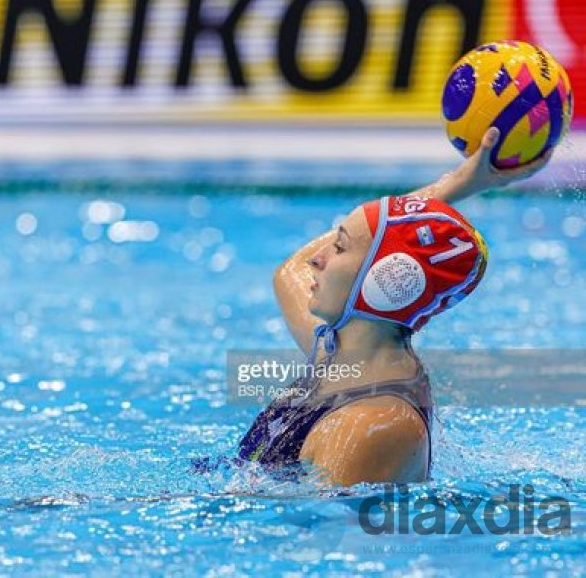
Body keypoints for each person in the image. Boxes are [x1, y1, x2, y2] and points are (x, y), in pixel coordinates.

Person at [237, 128, 553, 486]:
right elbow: (288, 272)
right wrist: (458, 184)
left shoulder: (370, 425)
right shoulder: (344, 353)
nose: (316, 260)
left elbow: (327, 534)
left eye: (339, 247)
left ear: (385, 281)